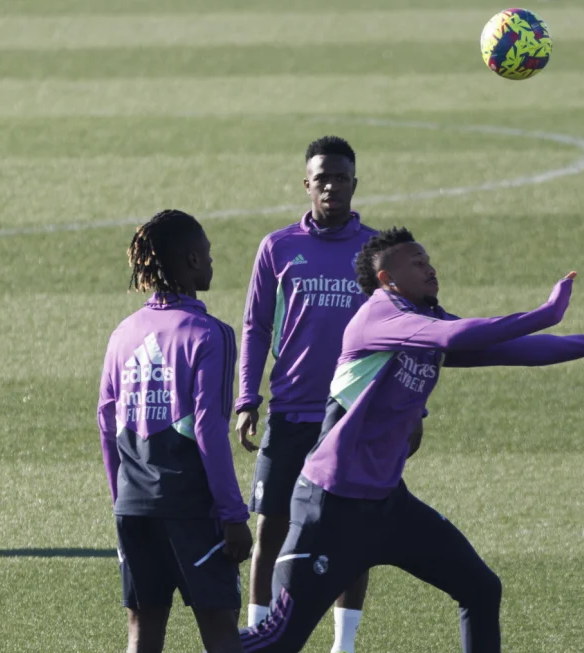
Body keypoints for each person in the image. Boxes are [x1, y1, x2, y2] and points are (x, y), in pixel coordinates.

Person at [238, 227, 584, 652]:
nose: (431, 269)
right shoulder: (379, 316)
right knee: (279, 641)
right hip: (330, 509)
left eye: (428, 260)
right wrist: (546, 311)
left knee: (481, 588)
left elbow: (512, 349)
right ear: (387, 279)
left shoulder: (426, 321)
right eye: (418, 263)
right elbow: (456, 337)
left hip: (388, 506)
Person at [235, 136, 382, 652]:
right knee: (270, 530)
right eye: (322, 178)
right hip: (292, 411)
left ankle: (343, 647)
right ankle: (254, 636)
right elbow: (255, 326)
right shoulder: (279, 247)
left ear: (354, 184)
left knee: (351, 537)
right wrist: (247, 397)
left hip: (354, 416)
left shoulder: (377, 250)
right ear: (307, 185)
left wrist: (414, 411)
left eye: (341, 177)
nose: (331, 187)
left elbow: (410, 331)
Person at [98, 210, 254, 653]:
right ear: (191, 260)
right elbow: (208, 430)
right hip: (190, 510)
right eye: (207, 254)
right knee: (221, 632)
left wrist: (120, 501)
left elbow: (106, 426)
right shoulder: (211, 335)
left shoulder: (122, 334)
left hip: (134, 509)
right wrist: (232, 515)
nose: (211, 261)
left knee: (142, 634)